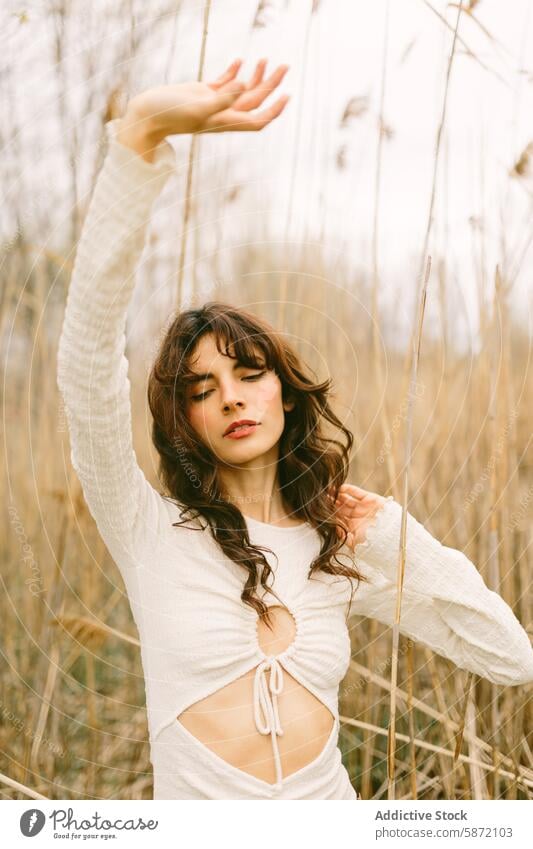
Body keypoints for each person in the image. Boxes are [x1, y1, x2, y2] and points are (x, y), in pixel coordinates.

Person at [56, 58, 533, 800]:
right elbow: (87, 363)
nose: (232, 400)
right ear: (183, 418)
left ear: (285, 390)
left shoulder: (336, 545)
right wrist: (139, 139)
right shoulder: (147, 530)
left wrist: (391, 534)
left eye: (249, 374)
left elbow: (508, 656)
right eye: (202, 389)